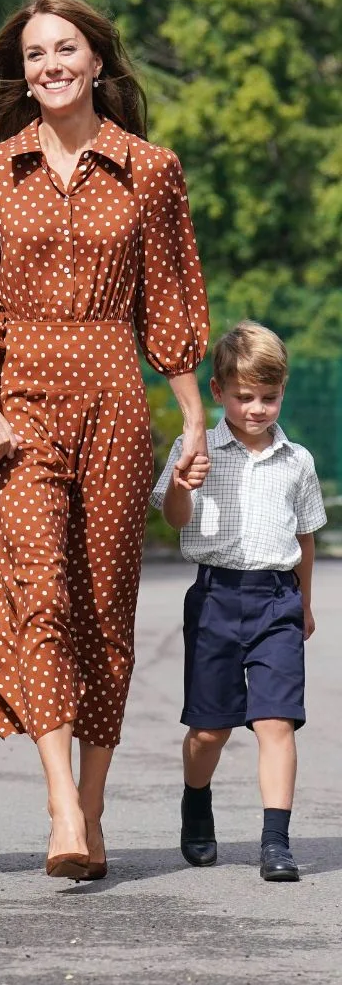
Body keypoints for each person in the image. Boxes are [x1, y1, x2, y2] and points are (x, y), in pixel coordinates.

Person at [0, 0, 211, 880]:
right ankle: (61, 803)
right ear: (20, 75)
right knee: (42, 593)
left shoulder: (152, 169)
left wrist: (193, 415)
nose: (50, 65)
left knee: (104, 605)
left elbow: (169, 301)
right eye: (34, 55)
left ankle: (93, 806)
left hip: (113, 396)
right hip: (20, 402)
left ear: (98, 61)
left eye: (66, 49)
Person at [151, 322, 325, 882]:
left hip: (277, 600)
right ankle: (196, 801)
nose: (257, 409)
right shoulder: (194, 449)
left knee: (277, 722)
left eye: (269, 397)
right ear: (218, 393)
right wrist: (182, 483)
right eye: (244, 397)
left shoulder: (297, 461)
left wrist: (305, 601)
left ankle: (275, 841)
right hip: (215, 598)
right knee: (210, 731)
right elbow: (174, 520)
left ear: (282, 392)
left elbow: (305, 537)